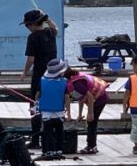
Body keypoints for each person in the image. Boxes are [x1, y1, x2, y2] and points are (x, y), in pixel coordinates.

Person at [20, 9, 58, 149]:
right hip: (54, 75)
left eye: (27, 25)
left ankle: (36, 140)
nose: (27, 28)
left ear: (31, 24)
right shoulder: (50, 32)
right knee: (52, 107)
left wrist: (24, 72)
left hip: (39, 76)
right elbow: (55, 28)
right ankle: (52, 139)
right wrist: (47, 18)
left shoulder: (33, 37)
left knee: (34, 107)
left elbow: (31, 59)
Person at [64, 67, 109, 154]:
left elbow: (90, 97)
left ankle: (91, 146)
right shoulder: (73, 82)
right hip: (96, 98)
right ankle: (91, 145)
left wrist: (90, 113)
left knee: (92, 122)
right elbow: (81, 98)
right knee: (91, 122)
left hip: (100, 99)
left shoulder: (77, 84)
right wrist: (79, 114)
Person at [35, 58, 71, 157]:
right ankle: (59, 149)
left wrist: (36, 105)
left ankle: (49, 150)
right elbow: (67, 98)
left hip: (46, 113)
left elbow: (37, 95)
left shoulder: (42, 81)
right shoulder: (64, 82)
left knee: (47, 132)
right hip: (59, 112)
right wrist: (68, 112)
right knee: (59, 132)